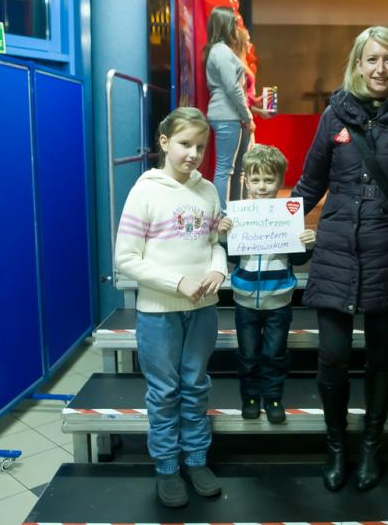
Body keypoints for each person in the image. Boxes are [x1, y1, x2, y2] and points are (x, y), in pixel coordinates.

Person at [292, 26, 388, 492]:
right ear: (357, 64)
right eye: (372, 59)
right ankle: (336, 445)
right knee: (332, 357)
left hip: (387, 252)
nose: (380, 69)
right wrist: (271, 229)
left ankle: (372, 444)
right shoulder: (334, 116)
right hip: (335, 250)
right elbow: (309, 184)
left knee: (380, 356)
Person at [115, 107, 228, 508]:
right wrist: (177, 283)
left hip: (203, 309)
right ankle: (166, 466)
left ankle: (196, 460)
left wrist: (218, 269)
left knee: (196, 386)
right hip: (159, 312)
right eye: (184, 144)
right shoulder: (145, 191)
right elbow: (125, 258)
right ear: (164, 142)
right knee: (165, 392)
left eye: (200, 146)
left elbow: (214, 244)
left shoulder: (208, 190)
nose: (193, 154)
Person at [217, 145, 316, 424]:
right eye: (256, 180)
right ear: (247, 182)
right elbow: (232, 257)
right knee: (248, 354)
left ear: (280, 181)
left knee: (274, 353)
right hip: (244, 299)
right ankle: (250, 397)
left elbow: (297, 259)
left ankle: (273, 398)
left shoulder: (288, 216)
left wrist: (307, 243)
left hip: (279, 299)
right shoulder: (238, 216)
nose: (262, 186)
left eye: (269, 180)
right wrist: (224, 236)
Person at [204, 6, 253, 213]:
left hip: (230, 115)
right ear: (225, 24)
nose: (237, 27)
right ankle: (223, 216)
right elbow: (232, 87)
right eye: (234, 23)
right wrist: (248, 116)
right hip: (226, 115)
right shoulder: (221, 51)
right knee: (225, 169)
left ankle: (236, 213)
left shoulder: (220, 50)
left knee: (237, 170)